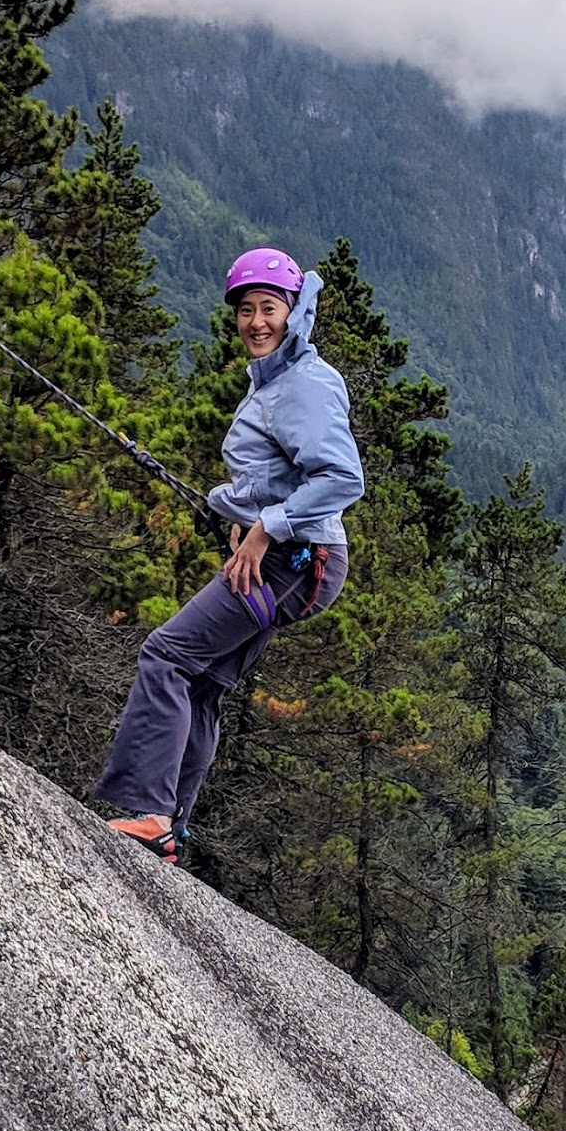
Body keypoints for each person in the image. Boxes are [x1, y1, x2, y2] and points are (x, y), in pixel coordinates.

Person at [96, 247, 364, 863]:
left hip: (294, 561)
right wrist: (229, 502)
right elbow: (275, 475)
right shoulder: (276, 380)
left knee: (166, 656)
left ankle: (148, 812)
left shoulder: (301, 383)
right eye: (246, 310)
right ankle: (168, 828)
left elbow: (342, 478)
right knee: (204, 682)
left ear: (293, 311)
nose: (256, 321)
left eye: (269, 308)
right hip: (297, 559)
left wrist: (266, 528)